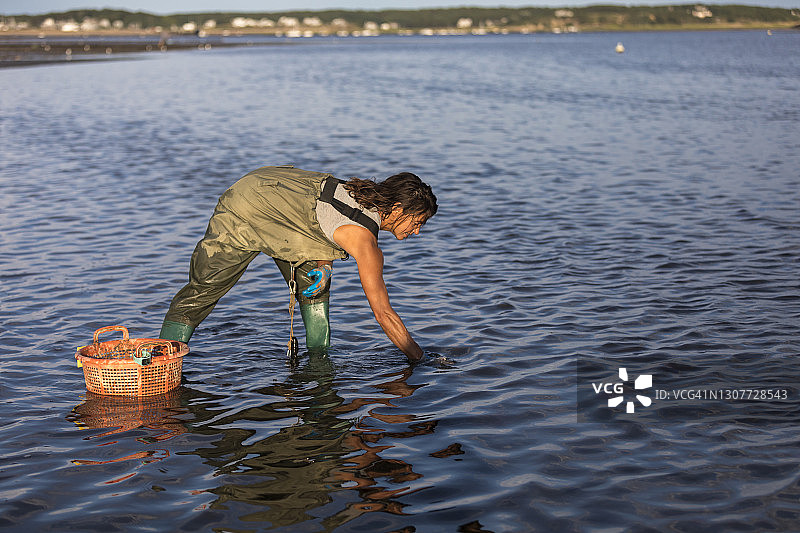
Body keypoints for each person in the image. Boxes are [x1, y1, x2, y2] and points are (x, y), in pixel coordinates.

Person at [159, 165, 437, 362]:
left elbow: (325, 222)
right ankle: (161, 362)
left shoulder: (363, 198)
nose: (417, 232)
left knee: (315, 287)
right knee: (204, 288)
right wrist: (420, 359)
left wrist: (325, 266)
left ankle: (318, 368)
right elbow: (383, 314)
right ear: (398, 209)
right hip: (247, 204)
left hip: (271, 190)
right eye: (418, 222)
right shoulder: (367, 244)